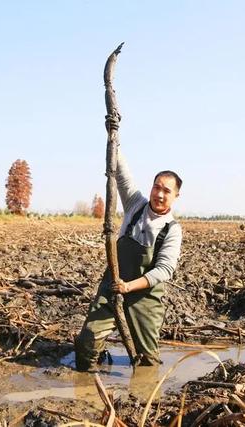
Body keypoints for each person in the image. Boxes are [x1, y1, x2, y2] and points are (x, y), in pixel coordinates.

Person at [74, 141, 183, 372]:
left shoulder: (172, 229)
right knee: (87, 343)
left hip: (145, 296)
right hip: (113, 286)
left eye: (166, 191)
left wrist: (130, 286)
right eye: (157, 187)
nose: (159, 194)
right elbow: (121, 173)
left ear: (175, 196)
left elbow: (165, 270)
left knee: (147, 363)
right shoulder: (135, 205)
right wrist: (113, 138)